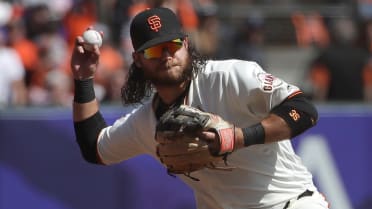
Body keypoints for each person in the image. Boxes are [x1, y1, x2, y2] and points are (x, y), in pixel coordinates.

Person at [71, 7, 329, 209]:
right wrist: (83, 79)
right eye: (153, 51)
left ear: (185, 44)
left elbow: (303, 109)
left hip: (291, 203)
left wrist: (238, 137)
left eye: (171, 45)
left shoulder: (229, 77)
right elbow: (94, 147)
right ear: (137, 59)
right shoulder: (145, 122)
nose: (166, 55)